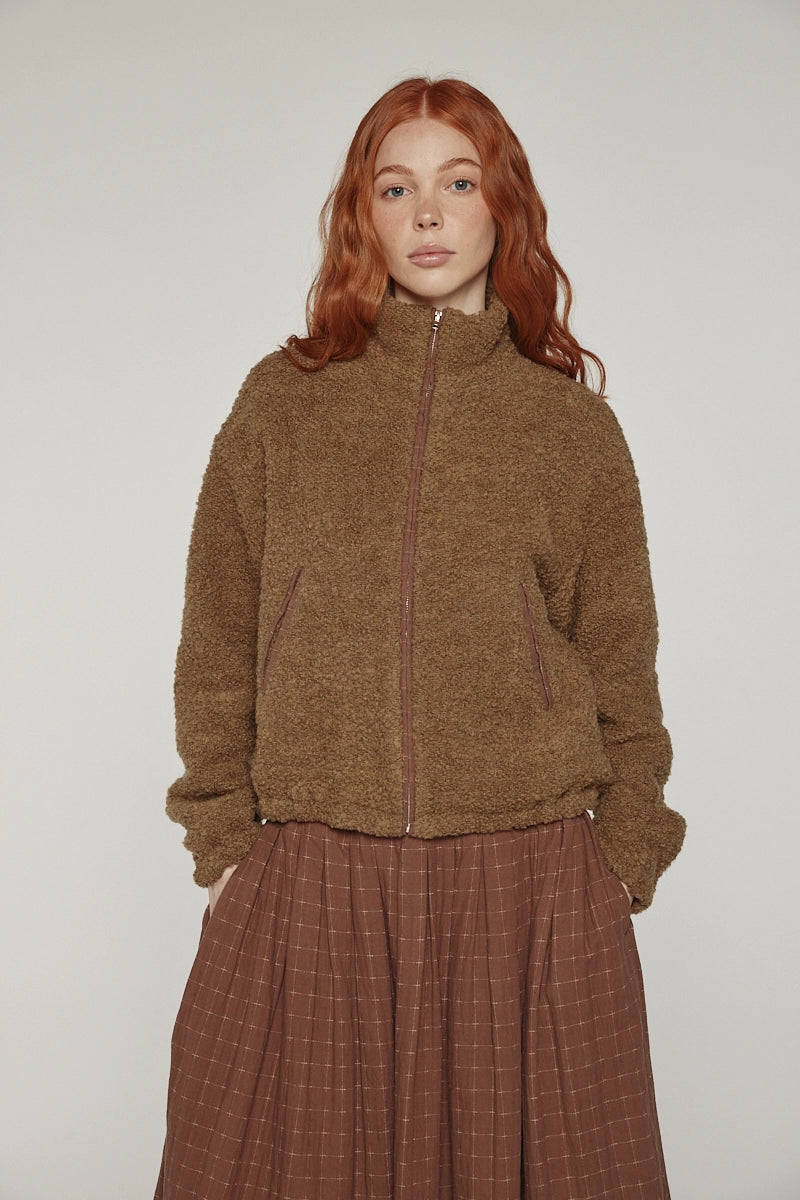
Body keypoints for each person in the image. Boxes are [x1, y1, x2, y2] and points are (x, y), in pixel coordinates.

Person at [155, 76, 686, 1200]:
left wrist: (623, 856)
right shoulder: (282, 403)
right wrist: (224, 843)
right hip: (314, 870)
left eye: (459, 183)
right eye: (396, 189)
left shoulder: (570, 430)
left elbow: (620, 662)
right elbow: (217, 634)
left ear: (504, 208)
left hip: (529, 883)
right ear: (363, 215)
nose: (429, 214)